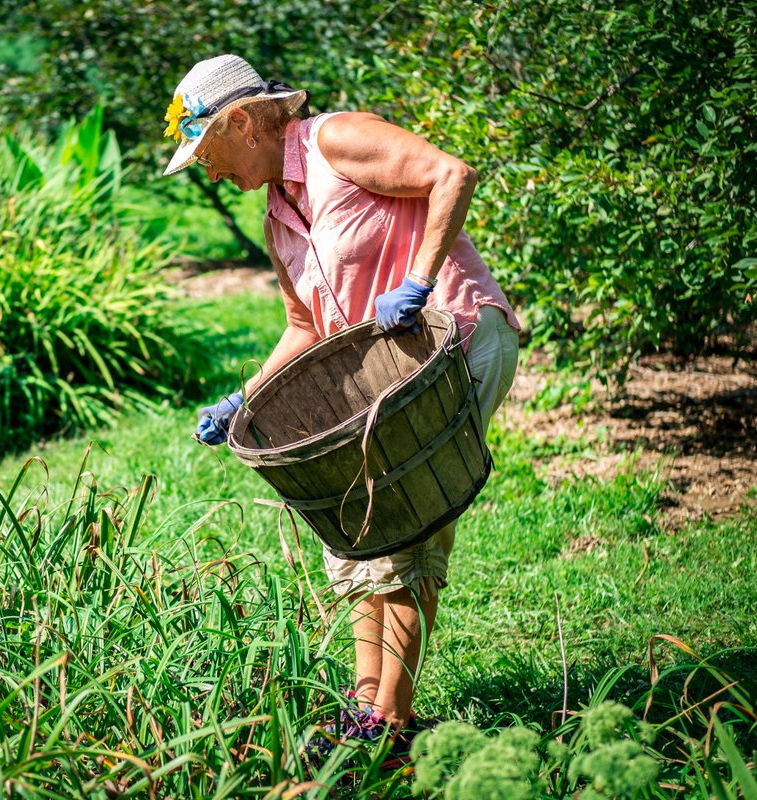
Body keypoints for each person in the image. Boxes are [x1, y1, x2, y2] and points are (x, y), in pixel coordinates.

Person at [164, 54, 521, 755]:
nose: (207, 169)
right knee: (360, 530)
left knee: (402, 522)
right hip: (385, 374)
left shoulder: (335, 142)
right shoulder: (277, 213)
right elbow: (305, 326)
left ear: (243, 122)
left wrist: (418, 281)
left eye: (206, 151)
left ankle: (390, 723)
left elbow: (453, 175)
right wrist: (246, 397)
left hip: (455, 337)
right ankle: (367, 711)